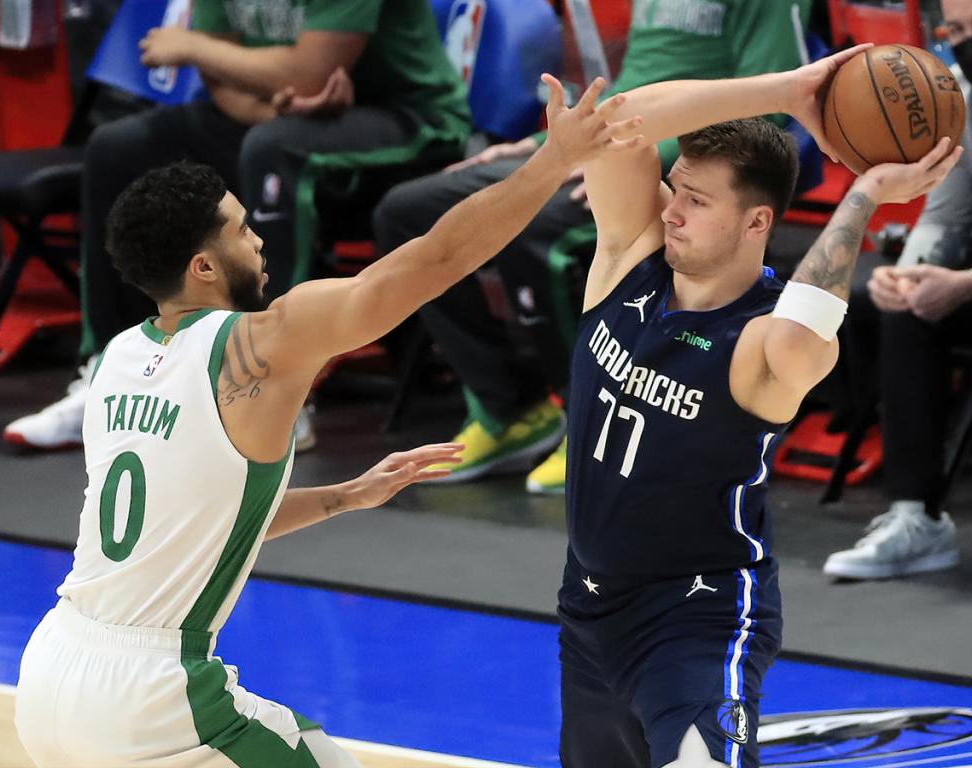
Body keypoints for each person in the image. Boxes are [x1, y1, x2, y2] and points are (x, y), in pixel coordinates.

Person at [12, 79, 639, 767]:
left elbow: (190, 522)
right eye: (244, 232)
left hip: (49, 671)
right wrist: (552, 160)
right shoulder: (259, 344)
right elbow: (434, 261)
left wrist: (344, 496)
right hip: (152, 693)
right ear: (202, 265)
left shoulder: (118, 360)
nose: (259, 244)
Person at [554, 50, 962, 768]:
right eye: (675, 189)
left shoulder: (764, 338)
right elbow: (615, 122)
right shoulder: (628, 256)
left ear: (757, 222)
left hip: (697, 616)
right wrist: (790, 91)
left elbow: (807, 334)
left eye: (697, 201)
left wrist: (862, 195)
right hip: (587, 605)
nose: (671, 210)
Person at [373, 0, 812, 494]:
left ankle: (590, 416)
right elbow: (632, 88)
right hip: (611, 142)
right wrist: (554, 146)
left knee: (538, 229)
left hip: (670, 161)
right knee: (409, 211)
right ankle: (511, 410)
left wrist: (636, 157)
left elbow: (769, 105)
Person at [3, 0, 471, 453]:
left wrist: (192, 47)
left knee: (274, 151)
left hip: (406, 121)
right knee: (118, 147)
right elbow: (225, 82)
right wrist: (271, 108)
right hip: (276, 117)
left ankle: (278, 393)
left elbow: (310, 71)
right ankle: (116, 378)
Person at [822, 0, 972, 580]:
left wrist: (962, 284)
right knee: (905, 308)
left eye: (962, 30)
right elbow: (947, 214)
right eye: (948, 31)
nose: (952, 42)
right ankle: (917, 520)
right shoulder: (959, 95)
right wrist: (912, 270)